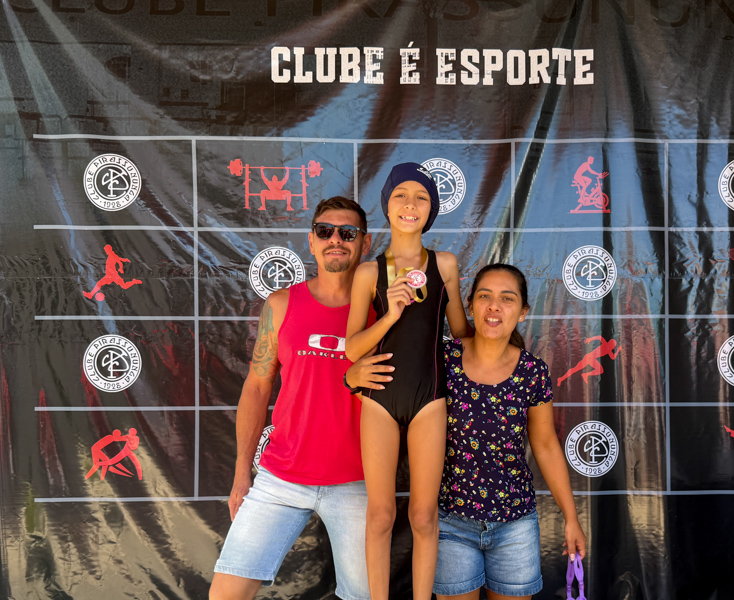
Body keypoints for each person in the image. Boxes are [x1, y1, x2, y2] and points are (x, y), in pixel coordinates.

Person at [348, 263, 587, 600]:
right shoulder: (441, 361)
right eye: (485, 297)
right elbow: (391, 393)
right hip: (451, 523)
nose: (494, 307)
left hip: (515, 524)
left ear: (523, 312)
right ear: (470, 306)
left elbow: (546, 445)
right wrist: (351, 378)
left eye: (507, 299)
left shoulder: (533, 371)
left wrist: (571, 518)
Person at [209, 197, 373, 600]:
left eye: (348, 232)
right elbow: (257, 387)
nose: (336, 240)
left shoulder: (383, 311)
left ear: (365, 243)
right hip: (281, 476)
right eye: (325, 231)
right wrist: (241, 474)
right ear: (312, 241)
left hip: (359, 480)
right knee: (225, 594)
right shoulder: (282, 304)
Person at [345, 163, 470, 600]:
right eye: (400, 195)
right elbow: (352, 348)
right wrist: (390, 315)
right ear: (387, 206)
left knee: (423, 515)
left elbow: (462, 333)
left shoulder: (445, 264)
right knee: (380, 515)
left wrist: (500, 338)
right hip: (379, 398)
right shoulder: (368, 273)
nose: (410, 204)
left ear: (431, 209)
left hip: (430, 399)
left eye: (421, 196)